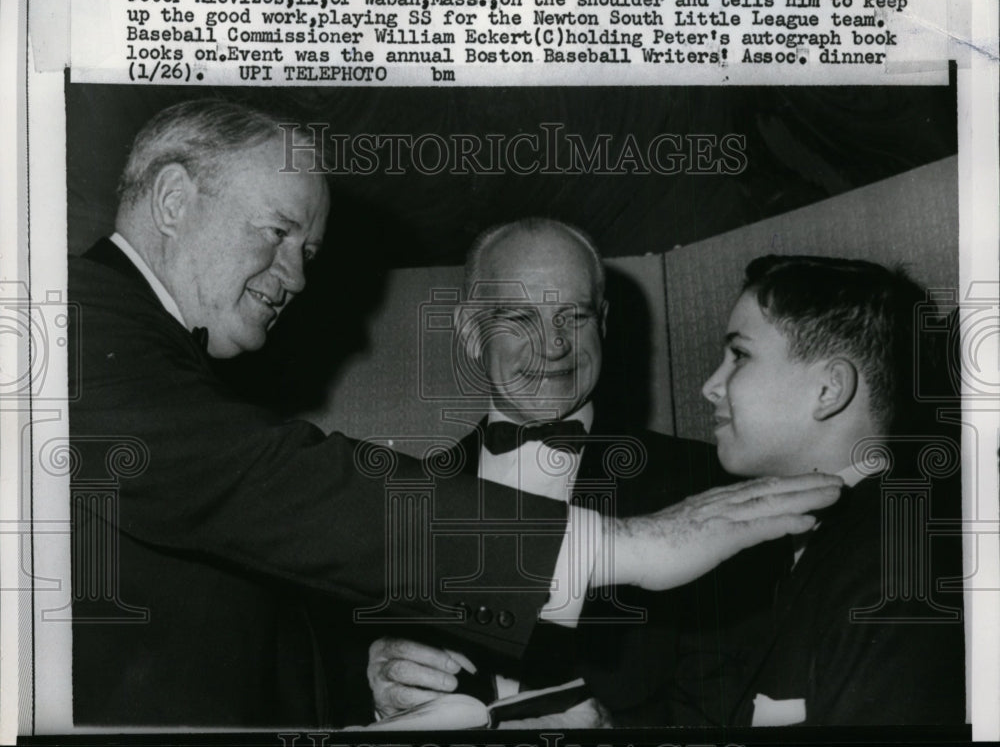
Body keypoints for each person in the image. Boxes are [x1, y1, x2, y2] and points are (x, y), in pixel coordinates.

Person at [67, 99, 842, 727]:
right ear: (172, 199)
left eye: (574, 316)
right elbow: (280, 491)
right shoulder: (82, 321)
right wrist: (625, 546)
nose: (298, 277)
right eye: (279, 232)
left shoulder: (710, 486)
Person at [367, 219, 772, 727]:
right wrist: (382, 690)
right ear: (471, 332)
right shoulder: (405, 501)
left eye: (573, 315)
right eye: (520, 318)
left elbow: (733, 692)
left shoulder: (703, 482)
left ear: (602, 321)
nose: (553, 345)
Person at [613, 255, 966, 726]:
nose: (710, 386)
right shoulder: (832, 536)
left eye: (739, 355)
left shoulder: (895, 570)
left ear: (829, 390)